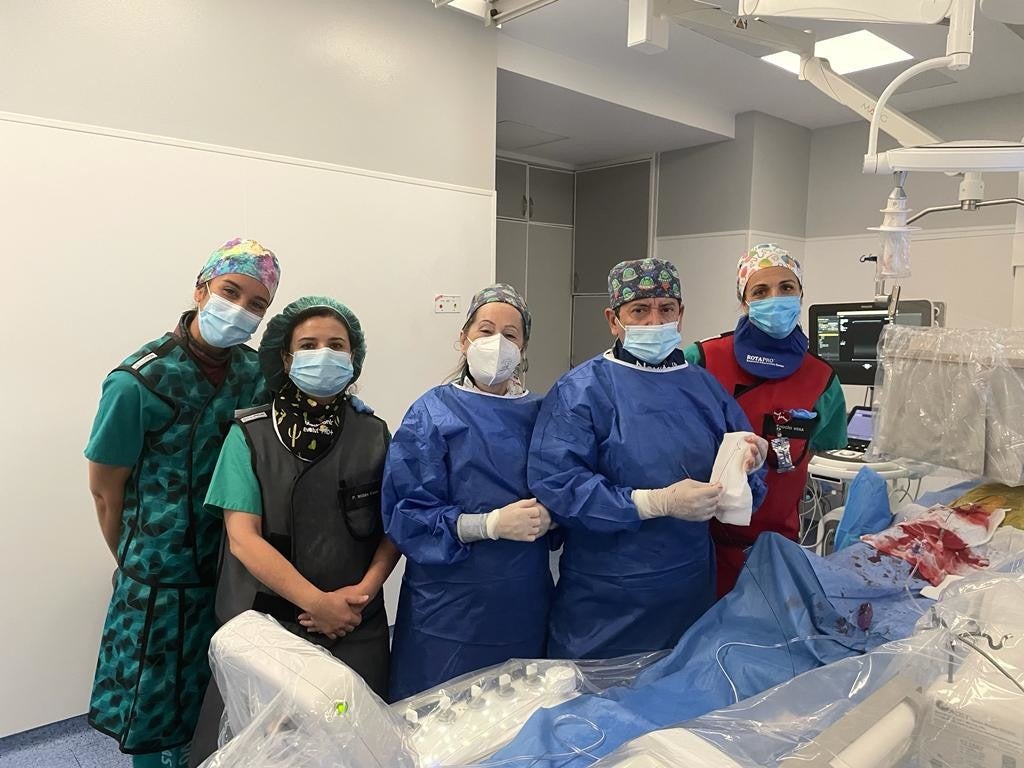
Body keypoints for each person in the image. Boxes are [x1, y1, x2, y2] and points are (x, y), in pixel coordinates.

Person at [85, 238, 281, 768]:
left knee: (216, 700)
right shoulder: (138, 381)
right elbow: (106, 490)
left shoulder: (255, 374)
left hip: (231, 566)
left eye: (257, 304)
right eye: (230, 292)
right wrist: (136, 561)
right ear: (201, 289)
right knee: (153, 705)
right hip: (156, 580)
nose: (240, 310)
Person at [190, 296, 399, 763]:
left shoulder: (374, 433)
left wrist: (359, 596)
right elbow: (243, 538)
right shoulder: (250, 435)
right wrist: (317, 604)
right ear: (286, 358)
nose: (323, 354)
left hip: (354, 624)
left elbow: (395, 528)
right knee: (259, 748)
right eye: (308, 344)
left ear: (353, 358)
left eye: (336, 345)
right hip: (267, 627)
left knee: (358, 745)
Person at [528, 258, 767, 660]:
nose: (655, 321)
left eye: (666, 309)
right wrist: (652, 502)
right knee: (594, 712)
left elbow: (743, 492)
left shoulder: (705, 390)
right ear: (613, 319)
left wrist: (748, 466)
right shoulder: (583, 391)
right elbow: (559, 484)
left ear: (681, 315)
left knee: (676, 704)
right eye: (639, 310)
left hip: (688, 586)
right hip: (605, 597)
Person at [383, 284, 553, 701]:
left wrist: (555, 513)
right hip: (447, 606)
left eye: (510, 334)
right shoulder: (432, 412)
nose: (497, 343)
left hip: (522, 595)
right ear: (463, 339)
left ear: (524, 346)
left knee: (513, 716)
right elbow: (407, 513)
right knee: (437, 718)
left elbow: (565, 482)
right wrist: (488, 524)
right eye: (485, 330)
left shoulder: (543, 412)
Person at [683, 244, 846, 596]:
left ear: (801, 293)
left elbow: (812, 452)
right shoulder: (703, 359)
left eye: (786, 288)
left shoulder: (822, 378)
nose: (776, 298)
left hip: (772, 544)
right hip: (699, 541)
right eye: (760, 291)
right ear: (744, 302)